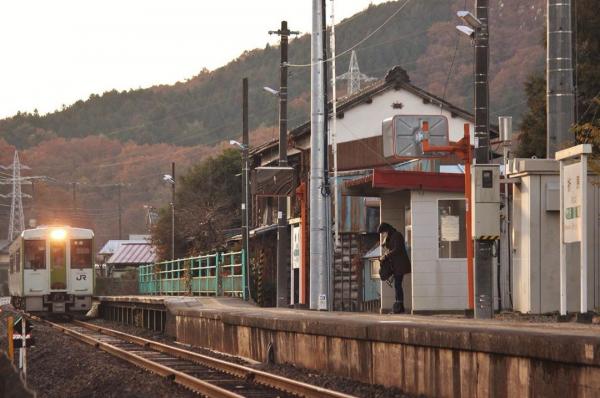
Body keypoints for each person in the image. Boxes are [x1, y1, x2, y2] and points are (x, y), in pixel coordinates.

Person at [378, 222, 411, 314]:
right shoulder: (390, 236)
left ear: (387, 230)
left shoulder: (397, 235)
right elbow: (390, 248)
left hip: (401, 264)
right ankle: (400, 307)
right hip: (396, 265)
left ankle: (399, 306)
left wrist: (386, 255)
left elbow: (397, 249)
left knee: (397, 285)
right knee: (397, 285)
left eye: (383, 232)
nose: (383, 235)